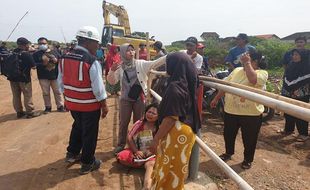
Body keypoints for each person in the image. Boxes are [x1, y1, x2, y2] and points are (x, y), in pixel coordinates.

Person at [58, 26, 109, 175]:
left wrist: (67, 99)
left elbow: (60, 82)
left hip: (73, 103)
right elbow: (98, 88)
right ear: (87, 42)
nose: (98, 46)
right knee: (89, 133)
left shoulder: (64, 57)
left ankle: (72, 153)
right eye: (96, 43)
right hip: (89, 105)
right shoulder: (91, 61)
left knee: (78, 126)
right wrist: (104, 105)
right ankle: (87, 162)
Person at [149, 52, 201, 189]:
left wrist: (156, 139)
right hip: (185, 132)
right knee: (176, 169)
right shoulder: (187, 83)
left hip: (176, 133)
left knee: (167, 169)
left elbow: (171, 118)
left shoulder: (175, 87)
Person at [211, 50, 268, 169]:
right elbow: (225, 85)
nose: (243, 61)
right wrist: (216, 98)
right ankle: (228, 153)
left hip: (251, 113)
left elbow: (253, 80)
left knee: (249, 138)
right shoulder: (237, 70)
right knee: (228, 134)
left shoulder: (262, 73)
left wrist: (247, 64)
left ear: (255, 61)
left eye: (247, 59)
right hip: (231, 110)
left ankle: (247, 159)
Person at [107, 43, 166, 154]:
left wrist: (171, 55)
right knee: (123, 122)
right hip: (125, 99)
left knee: (139, 122)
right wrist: (112, 70)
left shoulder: (140, 64)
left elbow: (155, 63)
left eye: (132, 50)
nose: (132, 52)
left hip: (139, 98)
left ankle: (136, 145)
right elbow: (112, 81)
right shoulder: (120, 67)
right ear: (123, 53)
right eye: (128, 50)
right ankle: (121, 145)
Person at [117, 103, 159, 190]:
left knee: (150, 163)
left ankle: (146, 187)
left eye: (153, 113)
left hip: (152, 154)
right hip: (137, 151)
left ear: (159, 116)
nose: (150, 114)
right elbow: (129, 137)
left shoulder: (160, 128)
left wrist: (152, 151)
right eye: (149, 112)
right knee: (121, 156)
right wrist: (136, 151)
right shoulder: (139, 123)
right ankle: (144, 165)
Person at [280, 49, 310, 142]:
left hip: (300, 93)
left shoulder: (307, 67)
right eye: (293, 55)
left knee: (300, 113)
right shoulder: (290, 64)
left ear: (303, 56)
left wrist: (294, 88)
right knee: (288, 111)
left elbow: (305, 80)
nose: (294, 56)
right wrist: (287, 87)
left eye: (297, 55)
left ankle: (303, 133)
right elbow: (285, 77)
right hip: (288, 92)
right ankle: (288, 130)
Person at [7, 37, 41, 119]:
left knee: (16, 95)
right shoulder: (26, 54)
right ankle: (30, 112)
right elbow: (34, 66)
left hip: (12, 78)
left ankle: (19, 112)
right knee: (27, 95)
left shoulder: (12, 53)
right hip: (24, 79)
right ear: (25, 45)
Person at [33, 37, 65, 113]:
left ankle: (60, 106)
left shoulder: (55, 52)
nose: (42, 45)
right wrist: (42, 64)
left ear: (47, 44)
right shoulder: (36, 54)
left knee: (57, 92)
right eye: (40, 43)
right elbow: (33, 65)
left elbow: (61, 61)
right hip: (43, 76)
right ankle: (48, 107)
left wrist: (56, 61)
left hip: (55, 76)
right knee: (45, 93)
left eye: (44, 43)